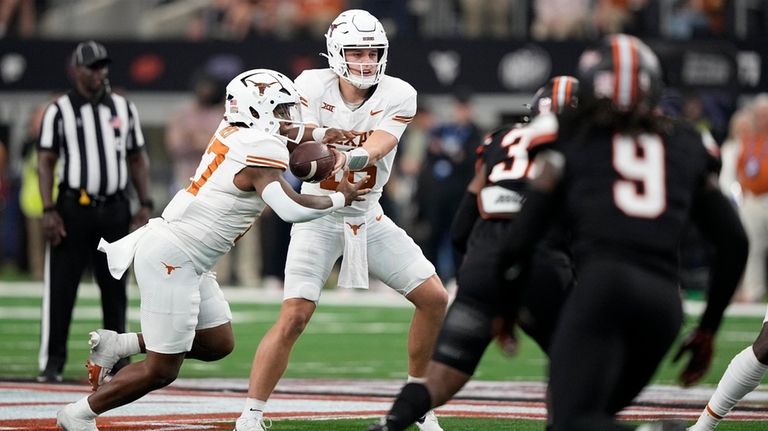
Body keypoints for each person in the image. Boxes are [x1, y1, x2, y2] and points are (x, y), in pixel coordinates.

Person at [56, 68, 370, 431]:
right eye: (281, 109)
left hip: (190, 256)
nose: (288, 118)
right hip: (173, 257)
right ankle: (78, 414)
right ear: (258, 110)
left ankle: (120, 344)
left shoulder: (236, 130)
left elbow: (286, 131)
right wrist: (338, 197)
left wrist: (321, 133)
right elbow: (290, 209)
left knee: (216, 342)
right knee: (161, 369)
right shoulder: (259, 149)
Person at [499, 35, 744, 431]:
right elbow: (734, 242)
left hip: (603, 287)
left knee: (569, 420)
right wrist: (709, 327)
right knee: (592, 417)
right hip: (665, 304)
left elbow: (525, 231)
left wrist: (507, 302)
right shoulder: (686, 140)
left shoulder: (570, 132)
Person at [234, 9, 449, 431]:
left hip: (368, 215)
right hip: (318, 214)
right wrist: (320, 141)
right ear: (335, 52)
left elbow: (382, 143)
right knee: (294, 315)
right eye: (357, 52)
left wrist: (346, 153)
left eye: (373, 53)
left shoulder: (400, 92)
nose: (367, 62)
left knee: (435, 298)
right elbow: (300, 136)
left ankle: (419, 401)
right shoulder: (312, 83)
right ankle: (251, 413)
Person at [366, 76, 579, 431]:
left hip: (485, 261)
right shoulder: (585, 145)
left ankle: (391, 424)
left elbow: (465, 220)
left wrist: (474, 276)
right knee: (575, 360)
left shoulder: (502, 139)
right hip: (540, 260)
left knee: (444, 371)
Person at [36, 40, 153, 383]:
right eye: (92, 67)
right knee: (61, 288)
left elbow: (137, 158)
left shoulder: (122, 107)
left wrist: (144, 203)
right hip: (73, 208)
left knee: (116, 289)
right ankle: (52, 362)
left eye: (103, 66)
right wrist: (47, 209)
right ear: (76, 70)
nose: (99, 72)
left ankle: (118, 363)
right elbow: (45, 161)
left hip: (115, 208)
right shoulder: (58, 110)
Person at [733, 95, 768, 303]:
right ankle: (753, 289)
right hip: (754, 199)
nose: (762, 119)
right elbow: (740, 169)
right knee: (751, 244)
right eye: (759, 115)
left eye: (765, 116)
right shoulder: (748, 140)